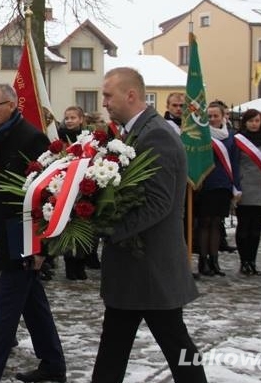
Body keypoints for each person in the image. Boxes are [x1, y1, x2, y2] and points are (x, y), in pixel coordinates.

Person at [91, 67, 206, 382]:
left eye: (108, 95)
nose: (104, 102)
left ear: (130, 95)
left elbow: (159, 203)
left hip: (150, 265)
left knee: (176, 345)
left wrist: (109, 230)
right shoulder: (135, 132)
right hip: (136, 266)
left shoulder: (155, 134)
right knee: (115, 343)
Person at [0, 84, 66, 383]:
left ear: (12, 105)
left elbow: (46, 194)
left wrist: (42, 247)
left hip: (25, 234)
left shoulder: (32, 138)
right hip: (5, 232)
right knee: (33, 304)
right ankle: (53, 364)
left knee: (6, 308)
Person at [194, 101, 240, 277]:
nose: (213, 119)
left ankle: (215, 260)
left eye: (216, 116)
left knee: (216, 224)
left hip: (223, 185)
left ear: (223, 116)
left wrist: (236, 186)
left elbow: (234, 163)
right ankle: (203, 261)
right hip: (206, 185)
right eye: (210, 116)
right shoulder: (202, 135)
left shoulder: (230, 137)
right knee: (204, 223)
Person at [234, 109, 261, 276]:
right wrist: (236, 188)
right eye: (250, 121)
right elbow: (234, 165)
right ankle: (244, 261)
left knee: (256, 229)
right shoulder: (238, 141)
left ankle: (252, 261)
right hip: (245, 188)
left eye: (257, 120)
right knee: (244, 227)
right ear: (245, 122)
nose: (254, 124)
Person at [58, 106, 93, 281]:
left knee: (83, 224)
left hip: (84, 185)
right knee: (68, 224)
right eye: (67, 118)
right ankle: (69, 263)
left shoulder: (88, 138)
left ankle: (81, 262)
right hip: (64, 185)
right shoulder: (59, 137)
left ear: (81, 119)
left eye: (73, 117)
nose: (69, 121)